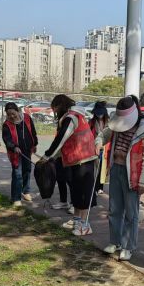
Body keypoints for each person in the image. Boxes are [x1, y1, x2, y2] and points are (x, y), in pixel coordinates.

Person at [95, 96, 144, 261]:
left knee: (131, 212)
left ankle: (128, 246)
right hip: (116, 169)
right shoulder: (116, 124)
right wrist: (98, 142)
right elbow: (104, 134)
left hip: (134, 175)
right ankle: (114, 241)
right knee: (114, 209)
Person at [42, 94, 98, 236]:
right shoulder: (72, 116)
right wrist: (53, 157)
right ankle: (77, 220)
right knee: (76, 192)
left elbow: (61, 139)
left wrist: (47, 155)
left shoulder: (71, 118)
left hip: (84, 160)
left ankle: (85, 225)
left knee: (83, 193)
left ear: (60, 105)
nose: (54, 112)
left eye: (55, 108)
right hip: (75, 160)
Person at [2, 102, 38, 207]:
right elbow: (7, 139)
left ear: (17, 111)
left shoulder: (26, 118)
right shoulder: (6, 124)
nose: (12, 116)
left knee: (27, 170)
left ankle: (26, 191)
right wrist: (14, 147)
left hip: (27, 149)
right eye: (9, 114)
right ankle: (16, 198)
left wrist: (35, 143)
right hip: (15, 153)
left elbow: (33, 131)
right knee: (17, 174)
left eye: (13, 113)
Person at [89, 101, 109, 195]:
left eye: (101, 113)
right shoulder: (91, 122)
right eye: (98, 113)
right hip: (95, 148)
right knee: (95, 168)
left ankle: (100, 187)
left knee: (102, 169)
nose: (99, 115)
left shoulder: (108, 122)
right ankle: (95, 187)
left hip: (105, 149)